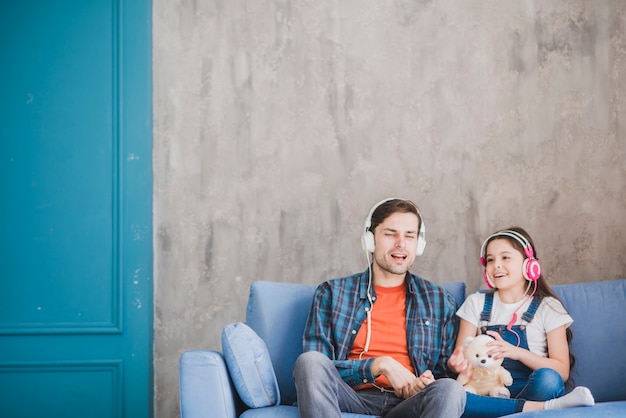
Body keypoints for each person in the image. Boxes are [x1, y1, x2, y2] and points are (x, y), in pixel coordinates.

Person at [293, 198, 466, 418]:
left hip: (408, 403)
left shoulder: (440, 301)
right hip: (349, 398)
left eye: (409, 236)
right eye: (390, 233)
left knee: (450, 389)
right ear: (370, 239)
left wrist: (424, 383)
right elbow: (317, 371)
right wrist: (378, 365)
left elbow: (444, 376)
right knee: (309, 362)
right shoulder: (332, 293)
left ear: (418, 244)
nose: (401, 243)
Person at [448, 227, 595, 417]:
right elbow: (461, 357)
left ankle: (502, 411)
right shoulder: (476, 303)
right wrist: (457, 364)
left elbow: (562, 370)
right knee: (451, 394)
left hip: (531, 390)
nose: (496, 265)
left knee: (549, 379)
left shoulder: (548, 307)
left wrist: (517, 353)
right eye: (490, 260)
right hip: (487, 390)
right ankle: (535, 410)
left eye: (505, 257)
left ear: (529, 264)